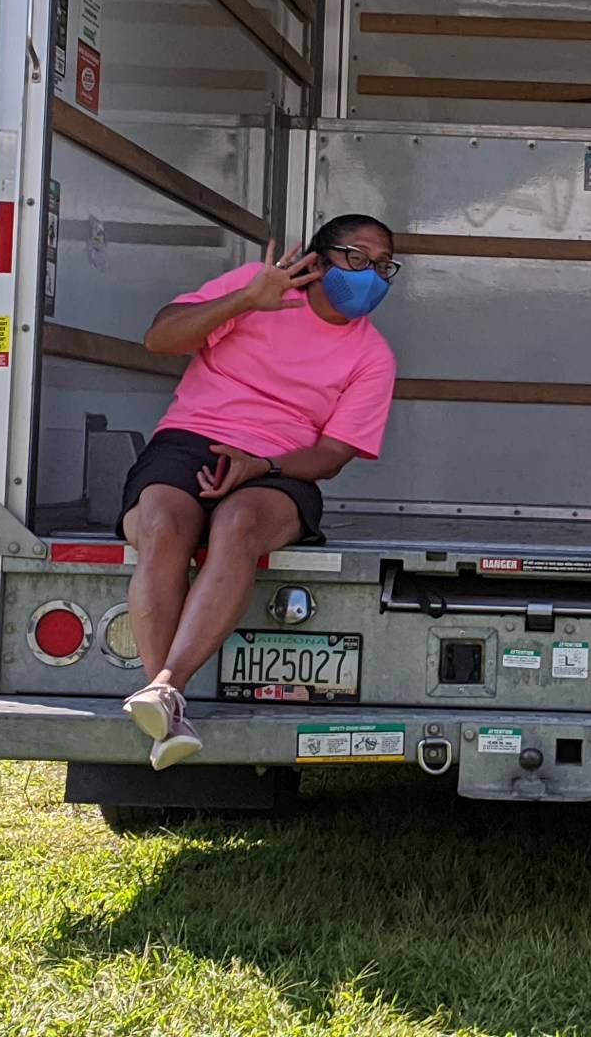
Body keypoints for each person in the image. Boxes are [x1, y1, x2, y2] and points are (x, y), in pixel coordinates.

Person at [115, 214, 400, 769]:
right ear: (315, 263)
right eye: (358, 258)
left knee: (238, 525)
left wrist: (261, 464)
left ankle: (166, 688)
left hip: (280, 466)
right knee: (164, 526)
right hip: (191, 439)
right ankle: (162, 701)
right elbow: (160, 338)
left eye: (384, 266)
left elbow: (333, 455)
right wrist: (244, 300)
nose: (372, 276)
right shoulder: (256, 287)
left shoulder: (374, 358)